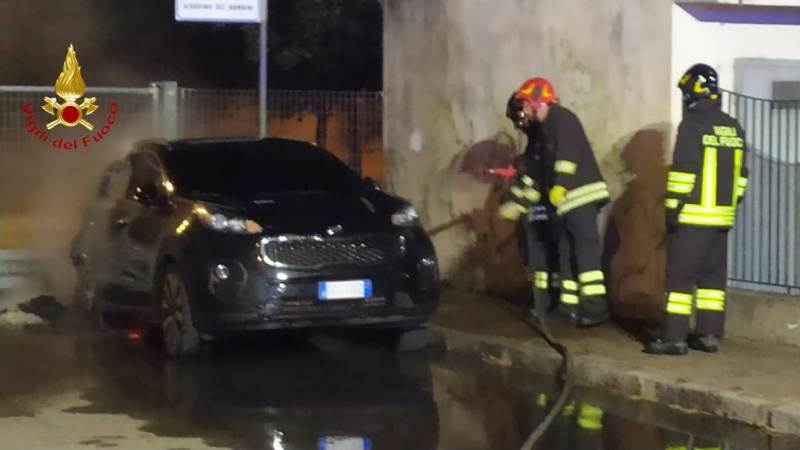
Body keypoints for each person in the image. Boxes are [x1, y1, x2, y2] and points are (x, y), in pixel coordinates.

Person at [645, 63, 749, 355]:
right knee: (712, 280)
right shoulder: (734, 127)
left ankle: (674, 338)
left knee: (680, 278)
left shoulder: (691, 125)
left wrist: (672, 209)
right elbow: (742, 175)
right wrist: (729, 205)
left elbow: (684, 172)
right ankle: (709, 335)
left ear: (692, 92)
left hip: (692, 218)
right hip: (722, 219)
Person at [500, 77, 611, 327]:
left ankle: (595, 307)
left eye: (525, 103)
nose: (523, 110)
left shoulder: (562, 118)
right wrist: (519, 203)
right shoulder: (540, 133)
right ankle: (568, 306)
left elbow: (567, 155)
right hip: (563, 203)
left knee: (584, 252)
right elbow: (534, 175)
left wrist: (560, 184)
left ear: (537, 100)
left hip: (581, 195)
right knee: (565, 252)